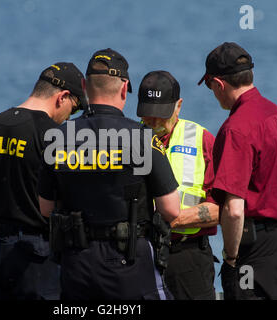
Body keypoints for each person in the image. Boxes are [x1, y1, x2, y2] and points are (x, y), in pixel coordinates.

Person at [38, 48, 181, 300]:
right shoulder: (142, 139)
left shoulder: (58, 137)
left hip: (76, 264)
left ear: (84, 86)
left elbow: (46, 208)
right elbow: (171, 209)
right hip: (130, 263)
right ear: (124, 88)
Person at [0, 62, 86, 299]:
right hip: (36, 253)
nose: (68, 119)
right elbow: (68, 200)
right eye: (73, 110)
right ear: (62, 97)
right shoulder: (55, 136)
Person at [198, 42, 277, 299]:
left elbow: (235, 211)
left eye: (210, 87)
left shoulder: (236, 128)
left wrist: (231, 258)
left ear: (218, 84)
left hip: (255, 251)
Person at [137, 70, 219, 300]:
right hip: (138, 256)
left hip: (188, 257)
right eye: (146, 115)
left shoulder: (203, 140)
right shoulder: (126, 139)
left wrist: (171, 219)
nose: (153, 123)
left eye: (160, 115)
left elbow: (223, 209)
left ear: (178, 106)